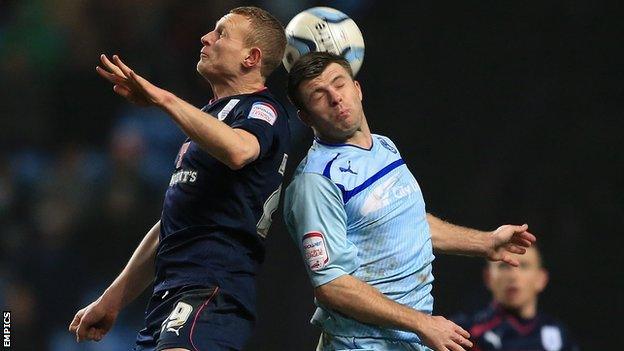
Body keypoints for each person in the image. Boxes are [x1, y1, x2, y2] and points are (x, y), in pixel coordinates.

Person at [68, 7, 290, 351]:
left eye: (221, 33)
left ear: (252, 57)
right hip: (168, 297)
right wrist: (112, 298)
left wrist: (162, 98)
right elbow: (171, 225)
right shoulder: (207, 119)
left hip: (212, 287)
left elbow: (239, 150)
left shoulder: (263, 111)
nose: (206, 38)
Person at [283, 52, 536, 351]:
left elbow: (409, 222)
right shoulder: (315, 182)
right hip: (361, 344)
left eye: (339, 84)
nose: (335, 98)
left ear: (358, 88)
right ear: (306, 117)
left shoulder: (384, 146)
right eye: (318, 96)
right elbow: (331, 285)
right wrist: (421, 323)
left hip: (407, 339)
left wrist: (485, 242)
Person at [452, 246, 579, 351]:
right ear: (488, 277)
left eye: (524, 266)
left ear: (541, 279)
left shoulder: (559, 334)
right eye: (504, 266)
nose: (513, 276)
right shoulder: (465, 332)